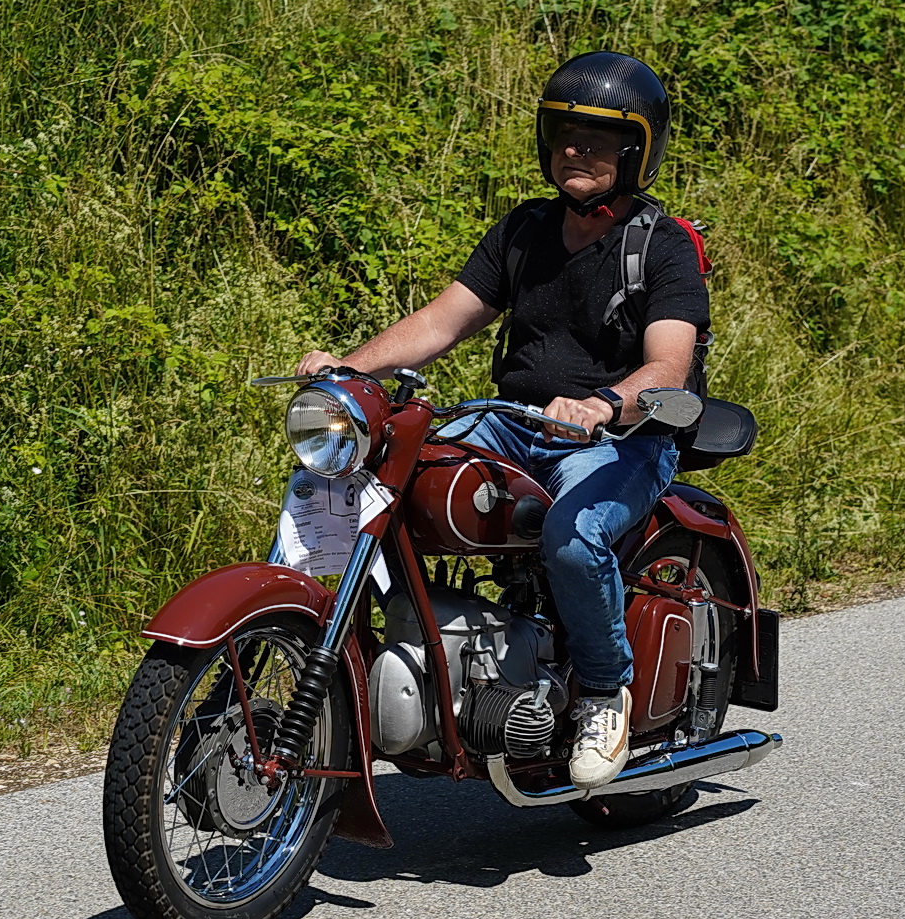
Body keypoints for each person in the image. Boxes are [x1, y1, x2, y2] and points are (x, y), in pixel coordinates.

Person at [296, 52, 709, 789]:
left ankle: (601, 694)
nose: (574, 150)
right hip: (515, 422)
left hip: (622, 438)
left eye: (595, 137)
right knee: (377, 472)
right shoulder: (525, 231)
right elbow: (441, 321)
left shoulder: (662, 245)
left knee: (573, 538)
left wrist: (604, 403)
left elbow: (669, 367)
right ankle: (371, 652)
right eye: (563, 134)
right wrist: (349, 372)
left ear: (635, 149)